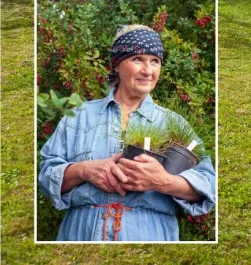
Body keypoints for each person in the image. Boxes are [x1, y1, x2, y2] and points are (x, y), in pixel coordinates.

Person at [38, 24, 216, 241]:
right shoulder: (80, 116)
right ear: (118, 64)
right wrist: (84, 170)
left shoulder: (174, 124)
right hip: (81, 235)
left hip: (151, 235)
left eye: (155, 61)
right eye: (138, 59)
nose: (148, 71)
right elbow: (47, 177)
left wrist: (161, 181)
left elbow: (208, 185)